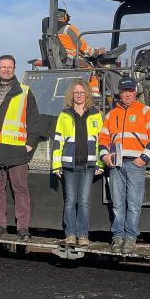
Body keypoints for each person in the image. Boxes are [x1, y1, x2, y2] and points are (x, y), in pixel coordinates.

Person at [0, 54, 41, 240]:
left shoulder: (25, 92)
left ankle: (23, 228)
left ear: (14, 69)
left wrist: (30, 145)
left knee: (21, 190)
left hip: (17, 150)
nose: (6, 70)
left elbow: (34, 121)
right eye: (3, 66)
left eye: (9, 67)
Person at [98, 76, 150, 253]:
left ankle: (131, 237)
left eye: (131, 91)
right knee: (118, 203)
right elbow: (103, 138)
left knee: (133, 203)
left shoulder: (146, 111)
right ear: (120, 92)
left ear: (135, 92)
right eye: (125, 91)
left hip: (136, 164)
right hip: (115, 164)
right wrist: (104, 156)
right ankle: (118, 236)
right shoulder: (111, 114)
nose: (128, 94)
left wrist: (144, 158)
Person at [51, 79, 104, 246]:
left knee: (84, 201)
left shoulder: (96, 114)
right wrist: (56, 165)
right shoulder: (64, 114)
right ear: (71, 95)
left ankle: (83, 235)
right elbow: (57, 141)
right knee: (70, 200)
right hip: (69, 165)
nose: (79, 95)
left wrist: (100, 164)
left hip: (89, 165)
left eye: (82, 92)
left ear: (87, 94)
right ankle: (70, 234)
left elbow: (101, 141)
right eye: (76, 93)